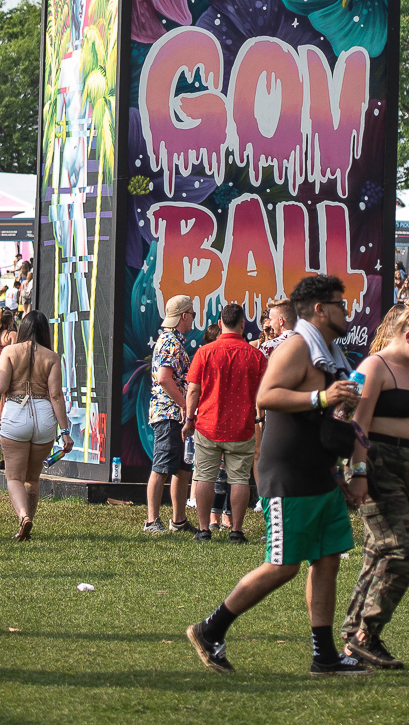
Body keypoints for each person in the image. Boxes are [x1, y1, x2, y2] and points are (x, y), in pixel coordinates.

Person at [185, 273, 372, 678]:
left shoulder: (330, 352)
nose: (346, 310)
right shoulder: (298, 347)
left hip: (318, 472)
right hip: (288, 475)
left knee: (327, 559)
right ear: (320, 310)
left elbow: (334, 420)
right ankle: (209, 628)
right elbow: (266, 395)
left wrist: (349, 469)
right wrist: (321, 396)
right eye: (340, 303)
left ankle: (324, 657)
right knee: (283, 564)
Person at [338, 303, 409, 669]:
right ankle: (365, 636)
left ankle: (355, 636)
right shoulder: (375, 367)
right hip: (378, 464)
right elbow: (356, 423)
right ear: (408, 336)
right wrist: (357, 472)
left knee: (379, 552)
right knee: (405, 549)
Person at [185, 302, 267, 544]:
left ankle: (203, 530)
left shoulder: (204, 352)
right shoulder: (256, 356)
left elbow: (193, 390)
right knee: (240, 479)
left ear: (220, 324)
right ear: (243, 325)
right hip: (242, 427)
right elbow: (263, 393)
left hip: (208, 425)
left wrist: (189, 419)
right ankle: (236, 531)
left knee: (204, 477)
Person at [0, 311, 71, 539]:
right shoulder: (52, 357)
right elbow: (56, 395)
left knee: (14, 477)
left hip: (17, 411)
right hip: (44, 415)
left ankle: (23, 516)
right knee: (33, 477)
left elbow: (0, 387)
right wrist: (64, 432)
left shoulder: (9, 351)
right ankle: (28, 524)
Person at [144, 294, 195, 535]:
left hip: (175, 414)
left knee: (182, 468)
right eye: (192, 314)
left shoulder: (173, 340)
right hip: (168, 414)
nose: (193, 319)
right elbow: (164, 378)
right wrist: (185, 404)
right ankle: (152, 520)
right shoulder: (170, 342)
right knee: (162, 466)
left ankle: (179, 520)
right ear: (183, 316)